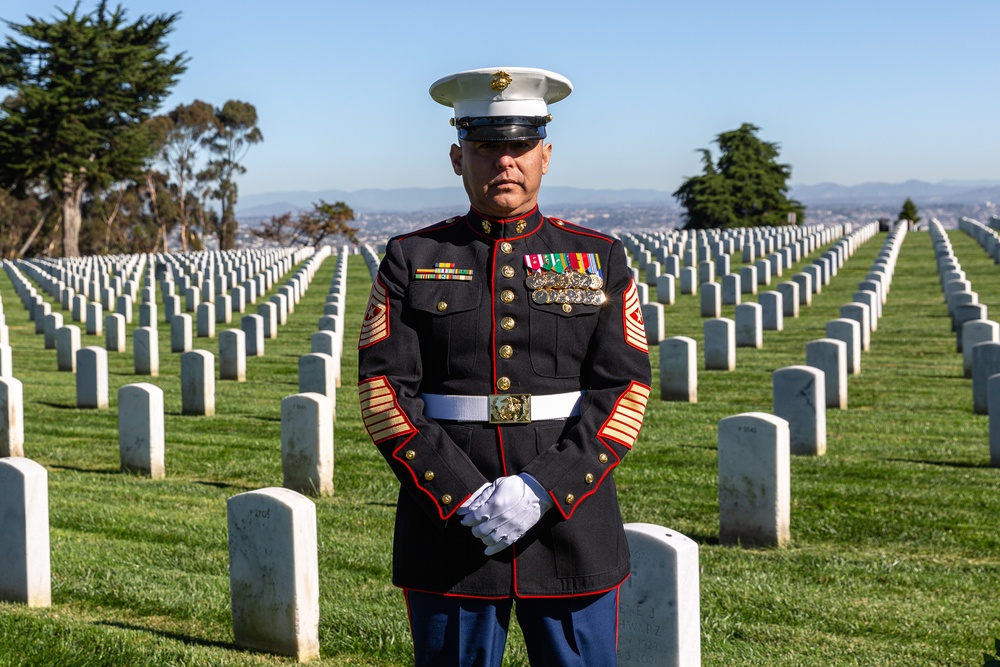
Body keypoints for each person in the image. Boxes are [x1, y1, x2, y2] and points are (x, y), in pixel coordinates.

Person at [357, 66, 652, 667]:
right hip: (451, 524)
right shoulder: (412, 258)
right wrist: (462, 495)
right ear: (456, 157)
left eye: (519, 146)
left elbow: (624, 389)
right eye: (486, 146)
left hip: (570, 519)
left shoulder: (598, 257)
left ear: (547, 155)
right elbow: (384, 389)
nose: (504, 163)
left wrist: (545, 488)